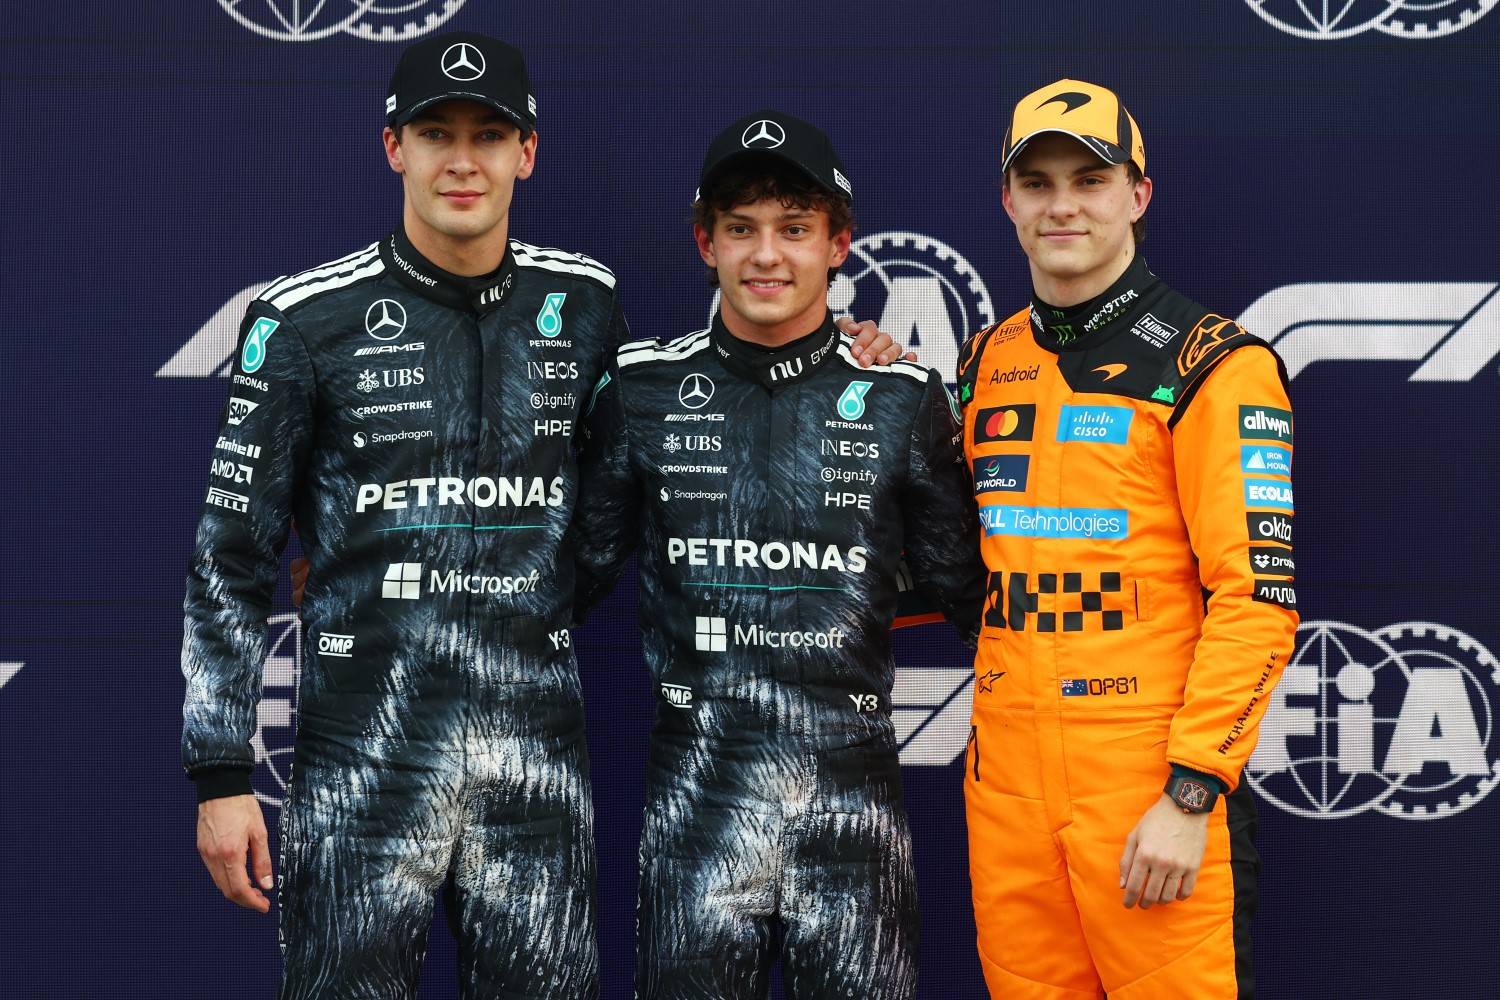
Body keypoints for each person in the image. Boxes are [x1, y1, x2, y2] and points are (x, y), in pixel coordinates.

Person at [182, 32, 907, 998]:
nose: (463, 161)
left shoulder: (584, 302)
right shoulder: (303, 319)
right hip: (364, 765)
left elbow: (617, 510)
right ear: (394, 147)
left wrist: (845, 358)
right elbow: (230, 555)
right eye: (436, 134)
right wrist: (222, 774)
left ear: (527, 152)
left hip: (535, 777)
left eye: (489, 135)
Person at [572, 109, 985, 999]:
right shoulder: (641, 389)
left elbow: (975, 599)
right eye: (741, 229)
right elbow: (558, 580)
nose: (767, 255)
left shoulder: (903, 394)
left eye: (794, 229)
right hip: (696, 812)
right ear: (705, 242)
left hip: (854, 815)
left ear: (839, 246)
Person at [957, 79, 1298, 999]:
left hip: (1149, 788)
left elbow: (1257, 598)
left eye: (1090, 180)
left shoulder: (1213, 363)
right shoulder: (986, 361)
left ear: (1138, 195)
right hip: (1007, 791)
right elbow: (943, 555)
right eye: (1037, 182)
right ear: (1008, 200)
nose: (1062, 205)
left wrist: (1192, 794)